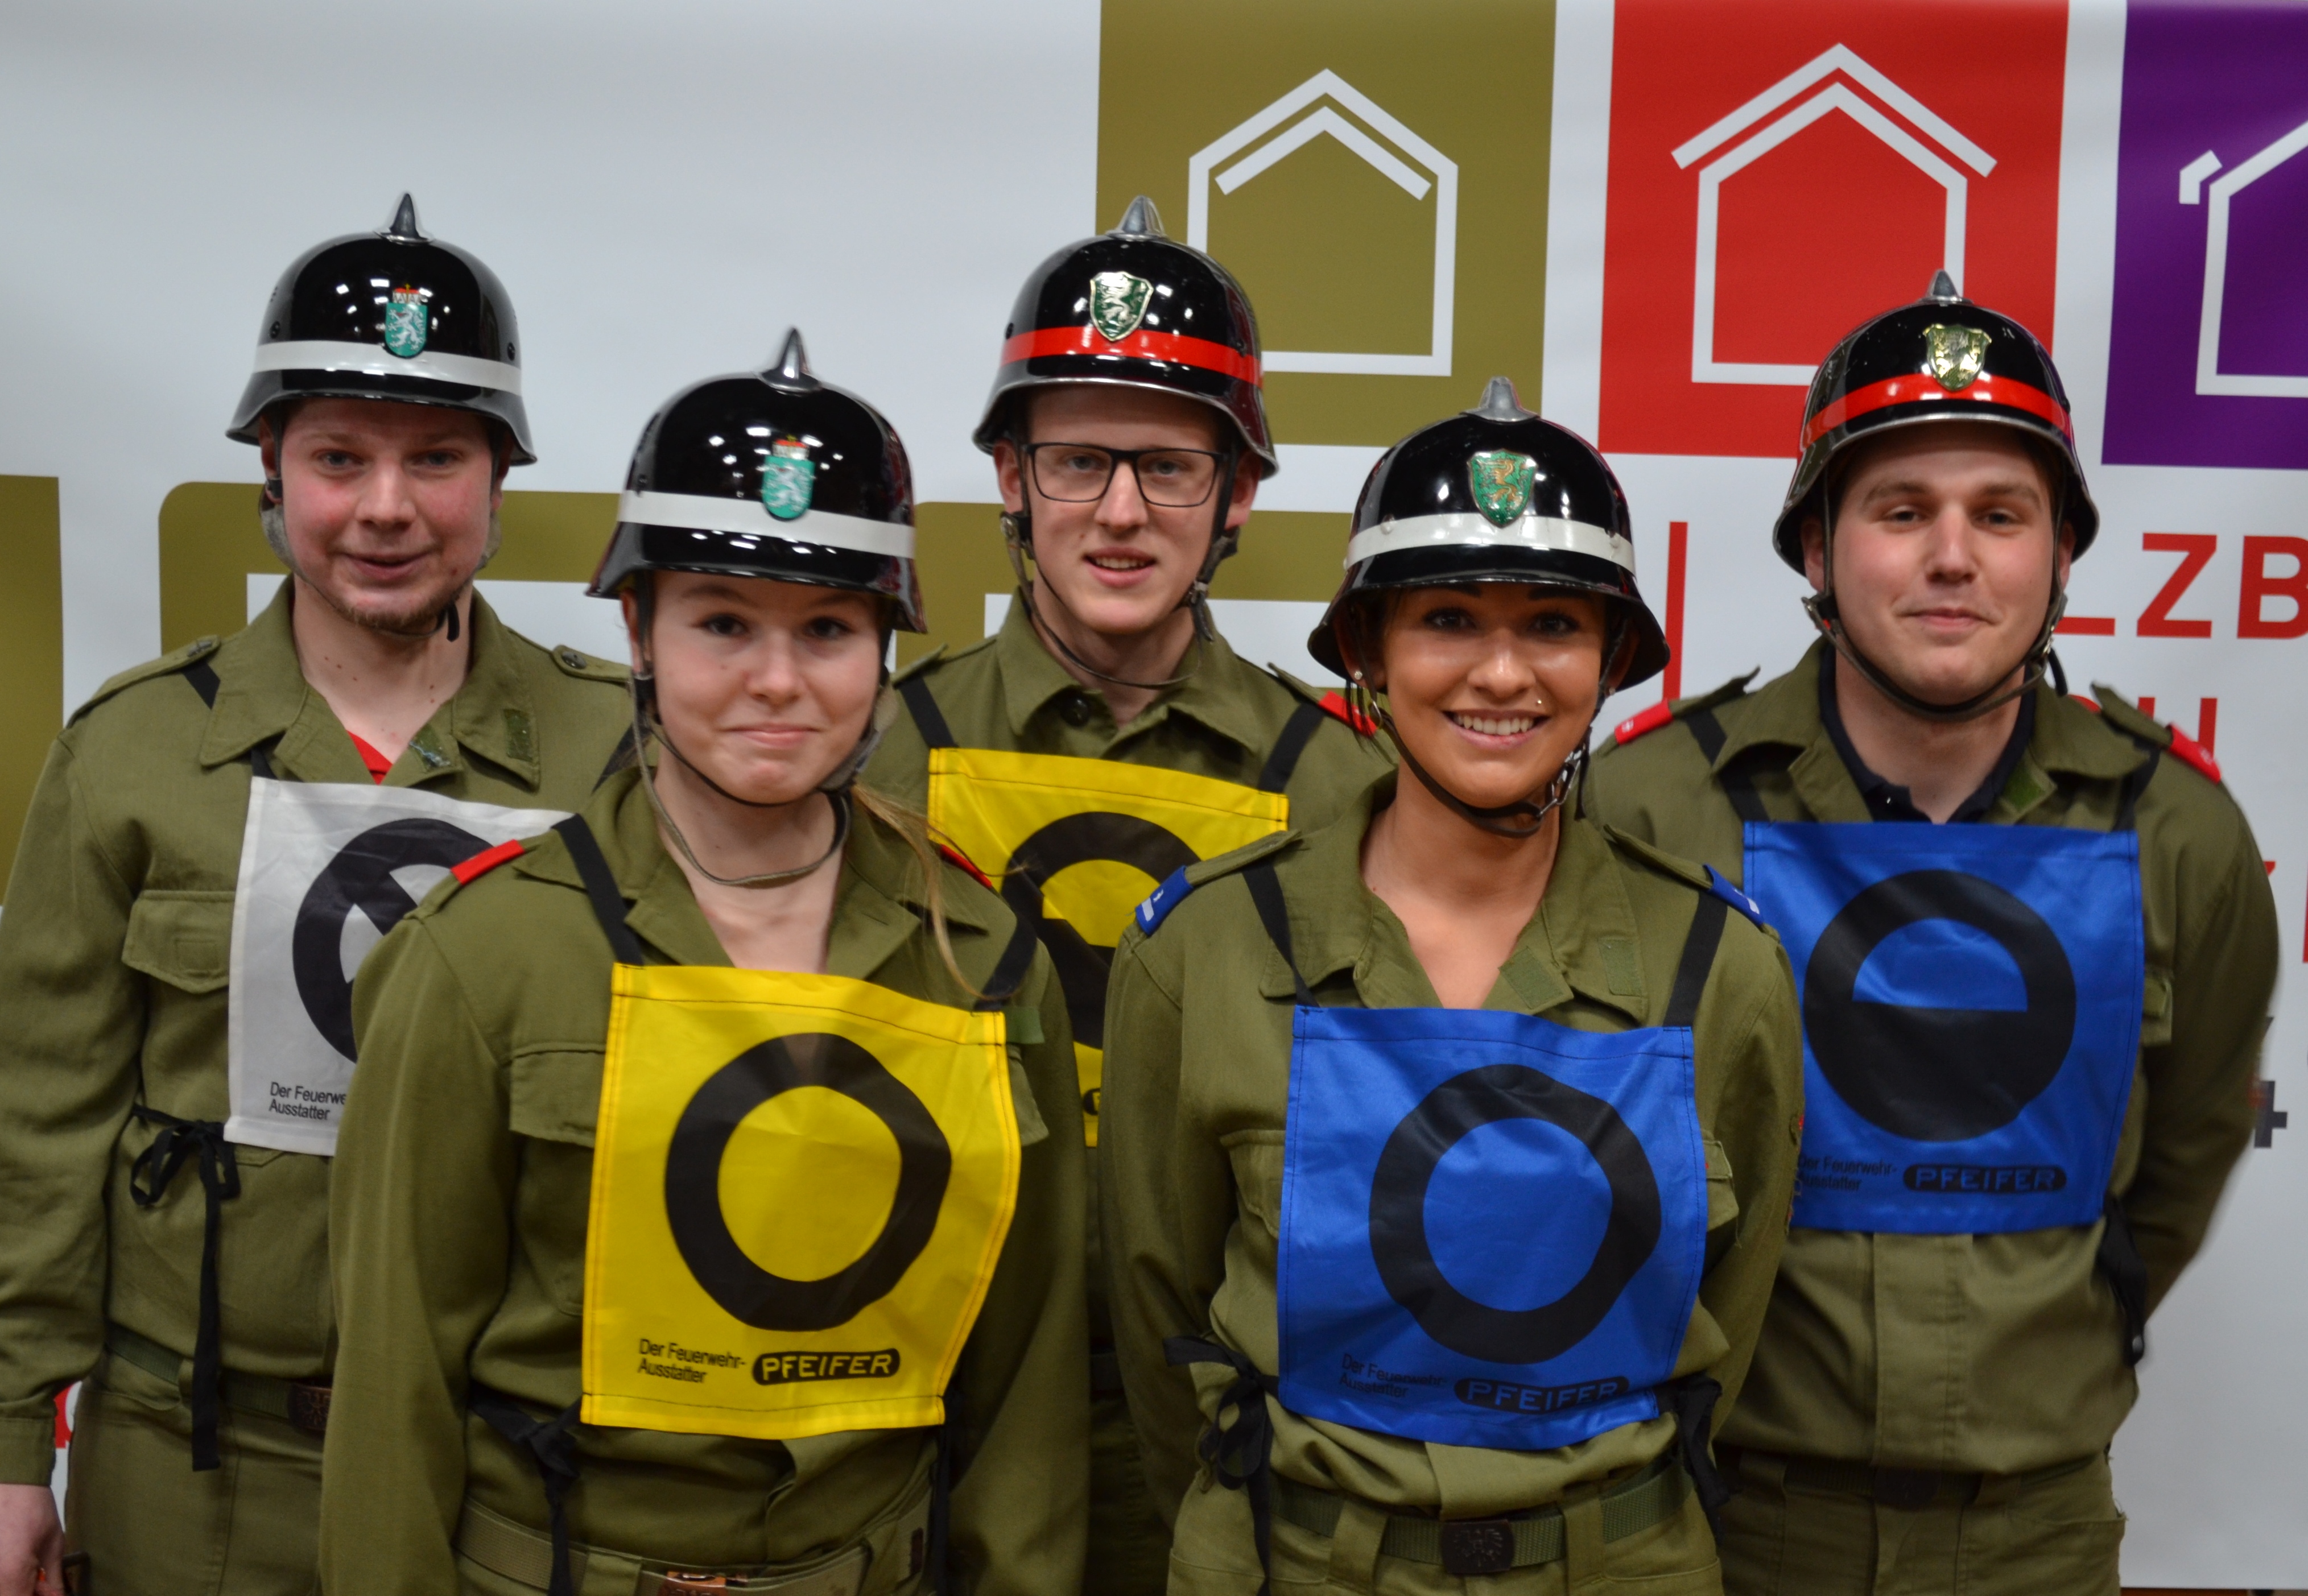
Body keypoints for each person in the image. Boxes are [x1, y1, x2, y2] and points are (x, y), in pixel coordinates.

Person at [0, 195, 632, 1596]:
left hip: (511, 1465)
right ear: (270, 467)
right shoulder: (132, 751)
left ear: (500, 478)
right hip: (192, 1462)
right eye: (338, 457)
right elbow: (35, 1125)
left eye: (437, 456)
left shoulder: (617, 757)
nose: (385, 507)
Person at [319, 334, 1089, 1596]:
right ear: (638, 627)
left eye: (828, 627)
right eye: (722, 621)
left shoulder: (983, 960)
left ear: (884, 646)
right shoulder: (483, 952)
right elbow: (394, 1380)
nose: (776, 680)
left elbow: (1025, 1387)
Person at [1584, 273, 2280, 1594]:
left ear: (2058, 555)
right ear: (1815, 549)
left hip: (2036, 1533)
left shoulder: (2176, 832)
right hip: (1717, 1520)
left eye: (1998, 514)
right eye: (1900, 511)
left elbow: (2184, 1152)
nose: (1950, 557)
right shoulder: (1651, 806)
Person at [1100, 380, 1803, 1595]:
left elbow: (1726, 1321)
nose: (1500, 672)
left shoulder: (1721, 962)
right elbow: (1159, 1317)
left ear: (1608, 661)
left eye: (1552, 623)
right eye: (1446, 618)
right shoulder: (1205, 945)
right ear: (1367, 650)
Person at [863, 197, 1389, 1594]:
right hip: (927, 1399)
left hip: (1230, 1411)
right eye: (1077, 459)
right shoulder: (873, 754)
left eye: (1167, 466)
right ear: (1009, 476)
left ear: (1237, 495)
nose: (1117, 511)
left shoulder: (1342, 787)